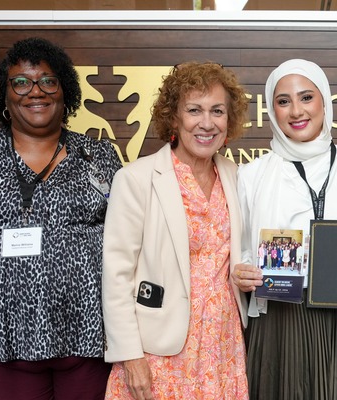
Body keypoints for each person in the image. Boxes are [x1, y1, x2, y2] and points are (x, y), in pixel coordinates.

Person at [0, 37, 122, 399]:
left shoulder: (99, 156)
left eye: (48, 81)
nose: (35, 91)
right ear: (5, 96)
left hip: (87, 333)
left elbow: (126, 237)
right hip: (3, 338)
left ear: (65, 92)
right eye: (21, 82)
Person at [102, 61, 250, 400]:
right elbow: (116, 276)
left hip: (223, 347)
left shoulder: (235, 175)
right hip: (159, 353)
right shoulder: (136, 179)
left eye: (217, 111)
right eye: (194, 110)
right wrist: (130, 355)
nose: (207, 123)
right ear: (174, 117)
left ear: (230, 119)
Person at [233, 59, 337, 400]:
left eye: (306, 97)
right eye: (283, 101)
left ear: (325, 101)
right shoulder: (251, 176)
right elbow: (240, 251)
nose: (296, 111)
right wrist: (240, 273)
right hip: (279, 324)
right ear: (272, 109)